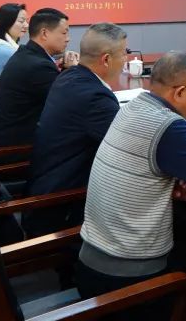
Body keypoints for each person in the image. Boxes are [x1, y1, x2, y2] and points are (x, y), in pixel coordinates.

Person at [77, 52, 186, 302]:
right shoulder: (170, 127)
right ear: (180, 92)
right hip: (128, 279)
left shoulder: (133, 107)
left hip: (91, 260)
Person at [23, 23, 128, 237]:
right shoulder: (96, 98)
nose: (126, 59)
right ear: (106, 60)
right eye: (124, 53)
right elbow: (130, 152)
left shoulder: (69, 77)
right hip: (64, 209)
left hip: (43, 190)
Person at [0, 7, 78, 148]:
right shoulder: (39, 66)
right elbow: (69, 103)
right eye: (64, 33)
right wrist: (73, 70)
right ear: (44, 33)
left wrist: (66, 69)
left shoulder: (26, 54)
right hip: (17, 149)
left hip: (6, 136)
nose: (68, 39)